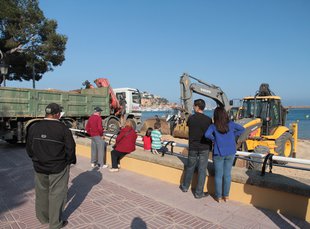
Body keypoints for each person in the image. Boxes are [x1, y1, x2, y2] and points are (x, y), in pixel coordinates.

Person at [26, 103, 76, 229]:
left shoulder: (34, 127)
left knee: (41, 192)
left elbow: (29, 147)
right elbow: (70, 148)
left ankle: (43, 218)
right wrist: (69, 161)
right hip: (58, 167)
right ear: (57, 114)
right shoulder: (63, 129)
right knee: (57, 194)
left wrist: (35, 159)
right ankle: (55, 224)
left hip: (39, 166)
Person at [204, 106, 245, 202]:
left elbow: (206, 135)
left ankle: (218, 196)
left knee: (218, 175)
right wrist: (233, 136)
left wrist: (215, 139)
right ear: (225, 115)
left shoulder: (213, 126)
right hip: (231, 151)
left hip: (218, 152)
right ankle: (226, 196)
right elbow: (242, 129)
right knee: (227, 174)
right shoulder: (231, 124)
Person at [179, 99, 213, 199]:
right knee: (202, 170)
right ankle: (199, 193)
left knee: (190, 167)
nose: (193, 107)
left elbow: (190, 128)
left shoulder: (191, 118)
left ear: (197, 107)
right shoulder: (208, 120)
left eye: (194, 106)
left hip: (193, 146)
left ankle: (185, 186)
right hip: (204, 147)